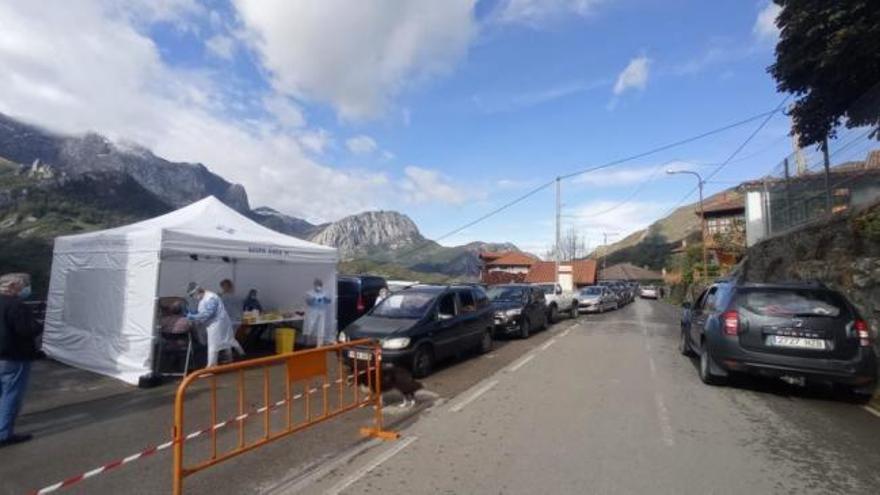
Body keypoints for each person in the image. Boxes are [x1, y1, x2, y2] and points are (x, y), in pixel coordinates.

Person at [0, 273, 40, 447]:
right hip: (13, 356)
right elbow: (26, 330)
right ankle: (4, 434)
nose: (25, 289)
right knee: (11, 395)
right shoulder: (16, 306)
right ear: (13, 287)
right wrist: (38, 324)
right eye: (23, 285)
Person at [186, 282, 245, 367]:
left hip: (217, 324)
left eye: (192, 295)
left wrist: (194, 317)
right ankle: (238, 356)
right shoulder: (203, 299)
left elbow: (208, 313)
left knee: (213, 346)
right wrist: (196, 314)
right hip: (215, 324)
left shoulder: (211, 297)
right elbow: (203, 312)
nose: (193, 298)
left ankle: (211, 367)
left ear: (197, 291)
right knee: (228, 340)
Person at [304, 279, 332, 347]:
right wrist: (313, 299)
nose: (319, 287)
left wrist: (326, 299)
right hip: (312, 312)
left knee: (321, 328)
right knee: (310, 327)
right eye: (317, 285)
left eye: (320, 285)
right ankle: (307, 344)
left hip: (321, 311)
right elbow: (308, 302)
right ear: (314, 285)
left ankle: (319, 345)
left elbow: (329, 301)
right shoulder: (309, 292)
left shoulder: (324, 292)